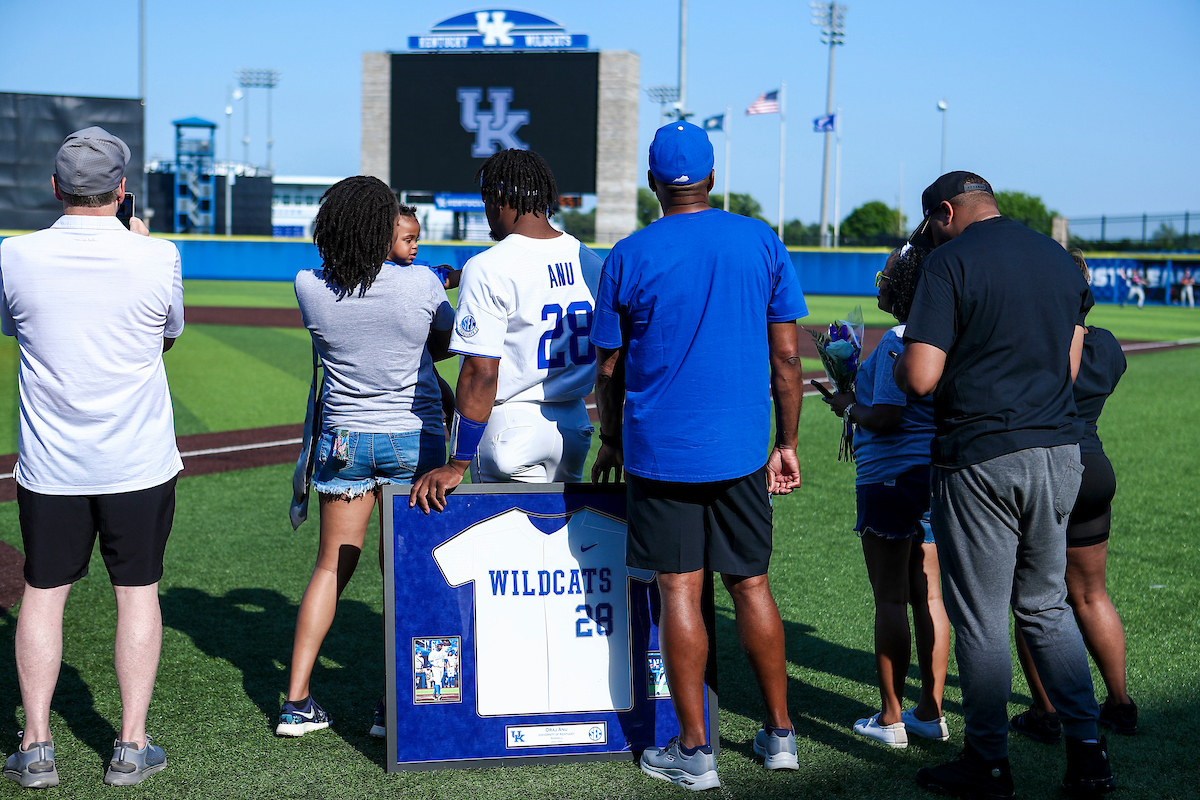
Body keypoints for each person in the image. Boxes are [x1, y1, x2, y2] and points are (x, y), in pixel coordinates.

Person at [591, 121, 807, 790]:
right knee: (751, 585)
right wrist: (787, 442)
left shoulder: (628, 253)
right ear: (712, 178)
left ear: (655, 184)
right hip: (742, 448)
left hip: (660, 450)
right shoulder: (761, 240)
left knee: (679, 589)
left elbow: (607, 368)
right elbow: (788, 359)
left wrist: (611, 439)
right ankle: (780, 736)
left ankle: (695, 752)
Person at [893, 172, 1116, 798]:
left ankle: (987, 760)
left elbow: (919, 377)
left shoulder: (949, 261)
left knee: (983, 616)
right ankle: (1090, 751)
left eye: (932, 224)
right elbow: (1070, 367)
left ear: (945, 213)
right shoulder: (1057, 259)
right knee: (1047, 606)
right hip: (1060, 449)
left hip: (982, 453)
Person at [1, 127, 183, 788]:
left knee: (42, 598)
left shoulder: (14, 256)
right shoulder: (157, 255)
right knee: (138, 596)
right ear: (122, 188)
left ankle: (37, 746)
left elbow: (15, 326)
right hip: (137, 461)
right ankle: (131, 747)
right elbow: (166, 337)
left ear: (56, 187)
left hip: (52, 466)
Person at [279, 177, 454, 737]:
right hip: (413, 439)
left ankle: (296, 701)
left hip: (345, 441)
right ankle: (396, 706)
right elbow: (446, 345)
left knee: (331, 566)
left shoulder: (310, 285)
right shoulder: (422, 282)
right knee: (404, 574)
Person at [410, 149, 601, 513]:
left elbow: (480, 373)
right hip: (574, 426)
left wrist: (457, 463)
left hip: (511, 427)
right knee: (557, 556)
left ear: (499, 198)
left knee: (507, 561)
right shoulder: (589, 260)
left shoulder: (488, 266)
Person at [822, 244, 951, 749]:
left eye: (886, 275)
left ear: (903, 287)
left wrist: (848, 406)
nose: (879, 282)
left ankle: (892, 717)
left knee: (892, 597)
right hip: (931, 477)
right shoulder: (938, 338)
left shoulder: (903, 339)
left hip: (892, 477)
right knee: (930, 595)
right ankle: (931, 712)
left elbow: (890, 417)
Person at [1010, 250, 1135, 742]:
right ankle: (1120, 704)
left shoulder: (1036, 340)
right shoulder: (1107, 346)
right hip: (1094, 466)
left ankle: (1046, 712)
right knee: (1090, 594)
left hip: (1046, 467)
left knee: (1034, 600)